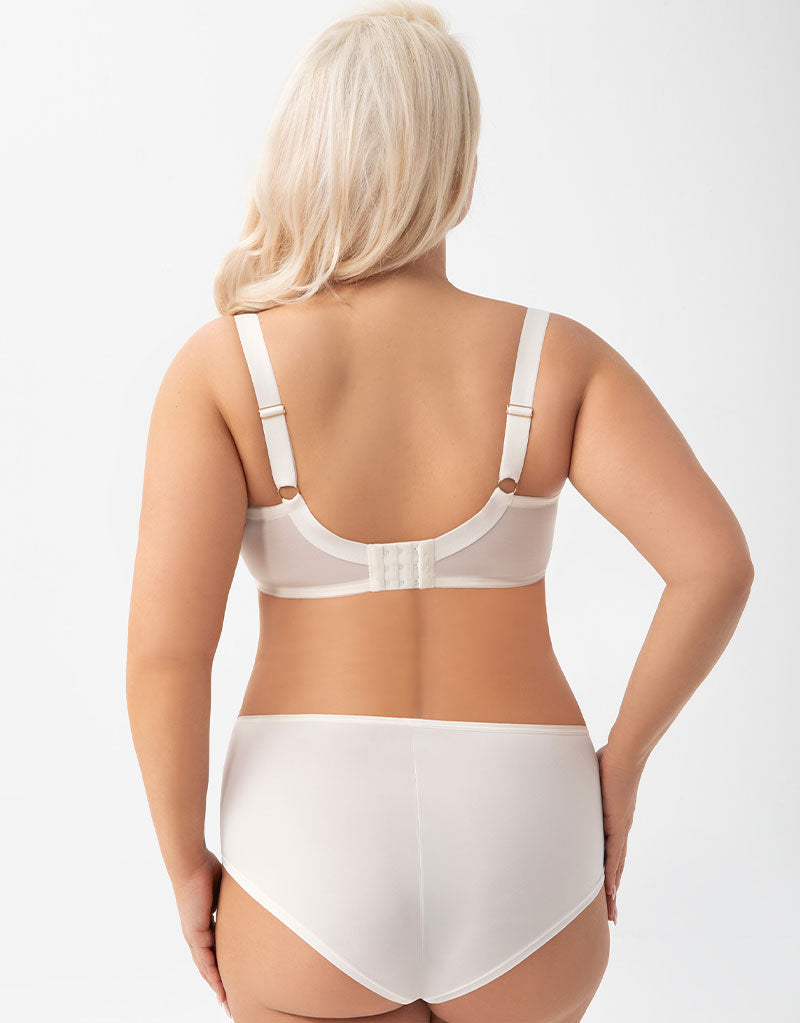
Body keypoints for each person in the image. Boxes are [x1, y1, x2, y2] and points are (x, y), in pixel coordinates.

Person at [125, 3, 754, 1021]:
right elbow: (714, 565)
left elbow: (165, 656)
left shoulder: (222, 370)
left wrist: (184, 862)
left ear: (301, 152)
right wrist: (621, 767)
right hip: (528, 830)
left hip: (306, 837)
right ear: (457, 167)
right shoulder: (556, 359)